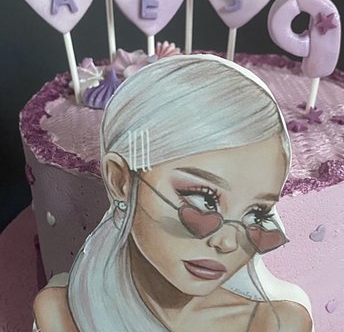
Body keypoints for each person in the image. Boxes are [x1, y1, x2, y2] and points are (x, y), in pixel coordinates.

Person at [33, 54, 313, 332]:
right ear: (121, 180)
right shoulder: (63, 313)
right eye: (205, 200)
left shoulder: (277, 324)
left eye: (257, 214)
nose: (228, 243)